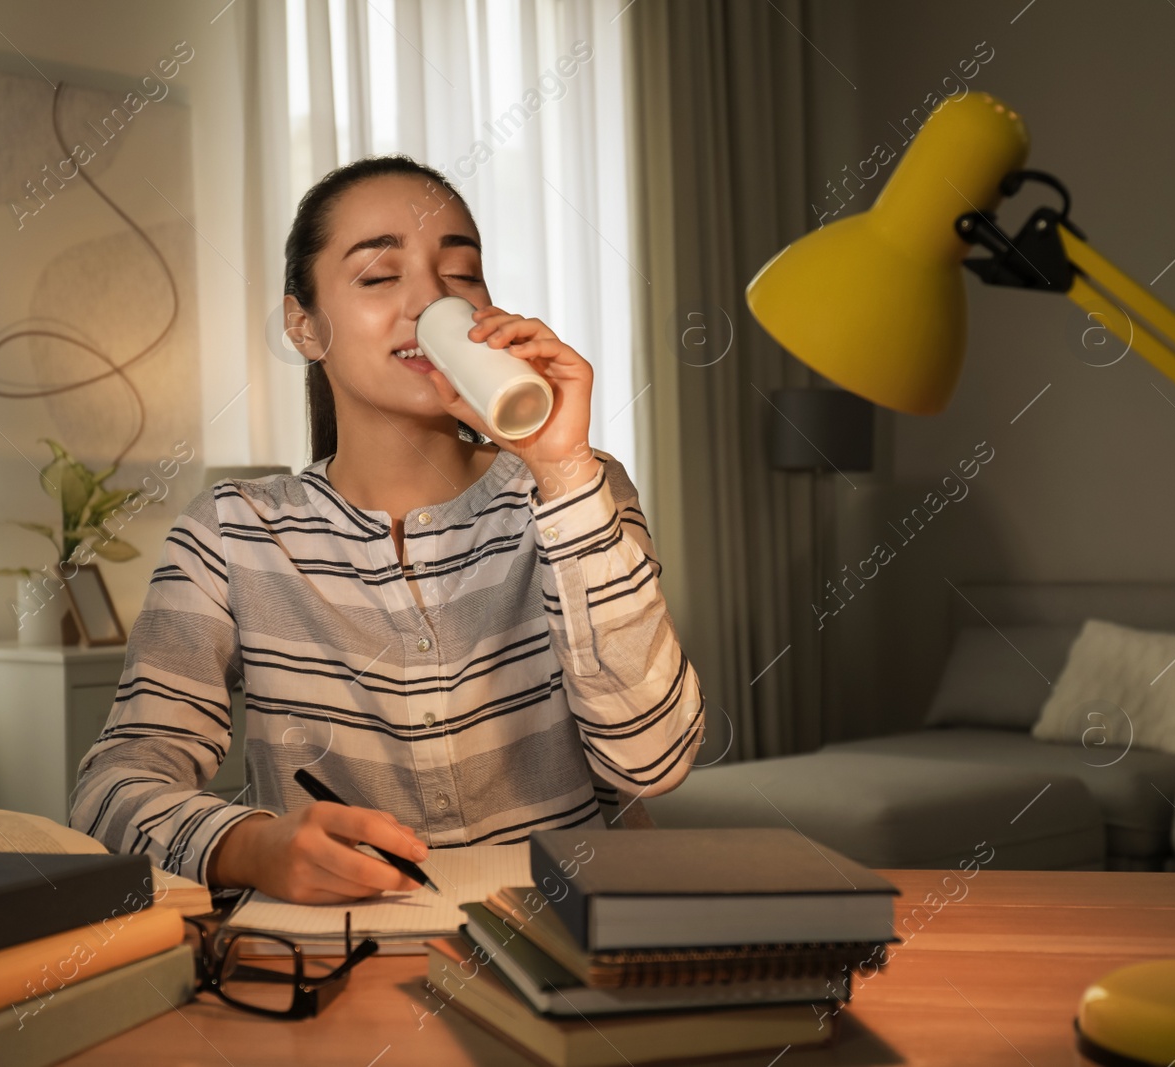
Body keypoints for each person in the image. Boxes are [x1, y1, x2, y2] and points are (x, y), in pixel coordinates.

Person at [70, 155, 706, 904]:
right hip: (337, 956)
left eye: (460, 276)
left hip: (562, 942)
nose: (429, 299)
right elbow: (109, 790)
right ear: (304, 326)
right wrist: (250, 845)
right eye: (378, 276)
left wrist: (560, 467)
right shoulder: (233, 533)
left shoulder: (578, 491)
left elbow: (654, 763)